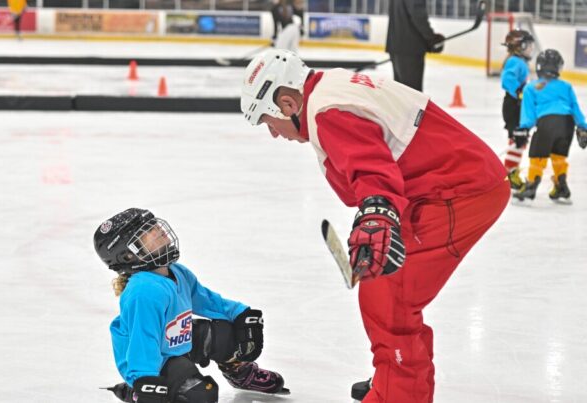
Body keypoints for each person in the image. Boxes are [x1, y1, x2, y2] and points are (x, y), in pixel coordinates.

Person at [240, 49, 509, 402]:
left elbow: (373, 169)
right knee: (387, 288)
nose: (274, 133)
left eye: (266, 120)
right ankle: (394, 375)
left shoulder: (326, 113)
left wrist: (378, 212)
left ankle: (398, 392)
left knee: (389, 297)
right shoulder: (329, 86)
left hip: (457, 192)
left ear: (287, 104)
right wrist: (375, 213)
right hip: (450, 182)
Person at [94, 208, 289, 403]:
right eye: (147, 231)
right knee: (201, 395)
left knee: (225, 331)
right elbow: (143, 341)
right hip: (157, 362)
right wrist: (145, 381)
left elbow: (207, 301)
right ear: (129, 256)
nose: (159, 229)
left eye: (154, 225)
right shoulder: (144, 292)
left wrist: (240, 314)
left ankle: (239, 372)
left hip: (178, 341)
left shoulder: (177, 272)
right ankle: (132, 391)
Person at [512, 49, 587, 204]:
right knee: (559, 156)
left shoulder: (531, 87)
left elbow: (529, 113)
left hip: (546, 123)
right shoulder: (566, 86)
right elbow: (575, 108)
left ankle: (531, 185)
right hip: (567, 124)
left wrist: (523, 128)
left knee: (538, 154)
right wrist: (582, 127)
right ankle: (561, 186)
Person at [500, 29, 535, 191]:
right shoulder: (515, 61)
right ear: (518, 46)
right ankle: (510, 174)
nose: (531, 49)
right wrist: (519, 91)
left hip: (517, 105)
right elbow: (507, 79)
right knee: (517, 139)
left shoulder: (521, 62)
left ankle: (511, 172)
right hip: (513, 106)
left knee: (520, 141)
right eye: (528, 46)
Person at [385, 0, 445, 92]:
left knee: (401, 92)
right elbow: (418, 16)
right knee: (412, 95)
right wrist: (432, 39)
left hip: (396, 46)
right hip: (410, 49)